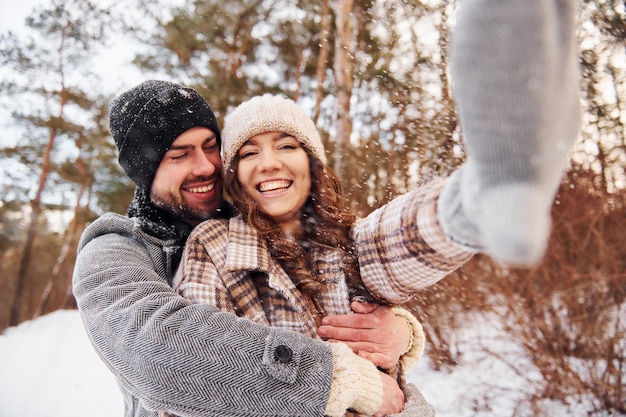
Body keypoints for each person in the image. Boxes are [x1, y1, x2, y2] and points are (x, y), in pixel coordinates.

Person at [72, 1, 581, 416]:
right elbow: (161, 347)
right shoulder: (124, 250)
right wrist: (339, 378)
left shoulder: (336, 236)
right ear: (144, 170)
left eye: (212, 147)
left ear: (314, 163)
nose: (205, 166)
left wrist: (473, 204)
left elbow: (393, 239)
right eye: (180, 155)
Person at [170, 94, 434, 417]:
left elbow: (418, 231)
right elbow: (206, 371)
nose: (269, 163)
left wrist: (404, 334)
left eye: (286, 146)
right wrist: (350, 385)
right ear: (235, 175)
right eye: (250, 152)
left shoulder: (350, 238)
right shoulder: (213, 247)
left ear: (311, 160)